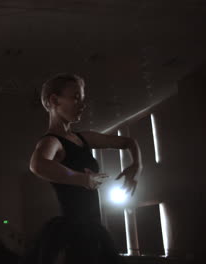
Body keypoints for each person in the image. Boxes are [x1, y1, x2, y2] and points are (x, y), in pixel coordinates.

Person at [21, 73, 143, 264]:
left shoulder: (83, 138)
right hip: (74, 231)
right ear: (54, 100)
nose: (82, 104)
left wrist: (136, 166)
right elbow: (38, 165)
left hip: (93, 226)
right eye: (75, 98)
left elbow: (128, 142)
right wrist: (81, 178)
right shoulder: (51, 141)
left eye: (82, 99)